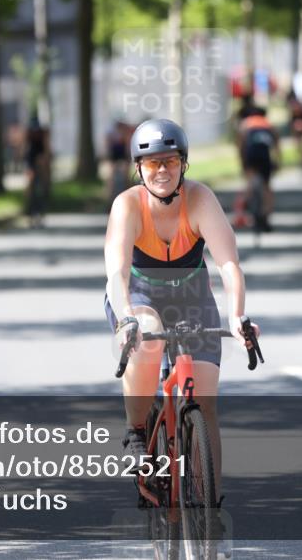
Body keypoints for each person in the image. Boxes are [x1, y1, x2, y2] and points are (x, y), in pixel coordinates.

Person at [103, 118, 260, 496]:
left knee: (205, 402)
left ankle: (210, 509)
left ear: (183, 164)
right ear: (138, 168)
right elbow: (117, 273)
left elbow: (228, 265)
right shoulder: (127, 206)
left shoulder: (200, 199)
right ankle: (137, 431)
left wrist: (238, 316)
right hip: (137, 295)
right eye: (152, 163)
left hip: (192, 298)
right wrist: (126, 318)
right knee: (148, 336)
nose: (161, 170)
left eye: (170, 161)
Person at [237, 106, 281, 231]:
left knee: (250, 181)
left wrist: (242, 162)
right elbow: (276, 144)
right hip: (264, 155)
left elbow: (241, 144)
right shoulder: (269, 124)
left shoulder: (246, 123)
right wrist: (278, 161)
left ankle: (246, 202)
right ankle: (266, 216)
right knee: (267, 186)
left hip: (251, 154)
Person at [24, 115, 52, 228]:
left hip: (39, 163)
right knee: (32, 191)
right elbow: (26, 152)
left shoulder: (41, 135)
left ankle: (39, 215)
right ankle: (32, 214)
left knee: (39, 190)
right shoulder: (30, 135)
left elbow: (45, 151)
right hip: (32, 164)